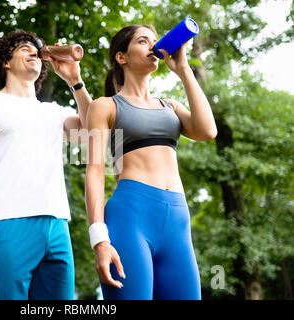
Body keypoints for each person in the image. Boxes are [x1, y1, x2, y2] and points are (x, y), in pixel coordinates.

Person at [0, 30, 92, 300]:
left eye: (37, 50)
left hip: (57, 225)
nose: (34, 53)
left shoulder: (55, 111)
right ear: (6, 61)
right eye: (26, 48)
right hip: (8, 223)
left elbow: (92, 132)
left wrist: (75, 81)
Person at [85, 24, 217, 300]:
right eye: (143, 41)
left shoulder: (171, 106)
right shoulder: (105, 106)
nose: (152, 47)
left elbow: (207, 131)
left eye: (154, 42)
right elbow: (96, 172)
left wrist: (183, 70)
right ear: (122, 57)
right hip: (131, 216)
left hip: (178, 219)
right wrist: (99, 239)